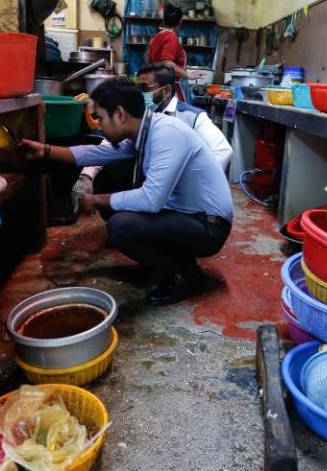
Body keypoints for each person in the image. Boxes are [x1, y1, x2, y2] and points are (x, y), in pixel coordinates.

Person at [20, 77, 233, 306]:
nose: (99, 125)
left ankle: (186, 274)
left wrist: (97, 200)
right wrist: (46, 150)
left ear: (120, 114)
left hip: (209, 227)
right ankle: (168, 259)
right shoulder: (145, 131)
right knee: (116, 195)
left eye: (100, 117)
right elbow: (94, 153)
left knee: (120, 226)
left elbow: (151, 200)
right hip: (187, 216)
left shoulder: (166, 133)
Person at [73, 63, 232, 206]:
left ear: (167, 90)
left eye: (145, 88)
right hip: (149, 188)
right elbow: (113, 144)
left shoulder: (192, 117)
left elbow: (223, 150)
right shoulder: (142, 115)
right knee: (112, 168)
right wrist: (87, 175)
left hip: (179, 197)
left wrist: (189, 186)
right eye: (137, 88)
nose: (139, 93)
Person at [147, 4, 189, 101]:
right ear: (179, 22)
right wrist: (187, 75)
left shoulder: (157, 36)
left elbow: (148, 59)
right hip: (171, 91)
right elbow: (167, 63)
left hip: (159, 87)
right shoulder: (171, 37)